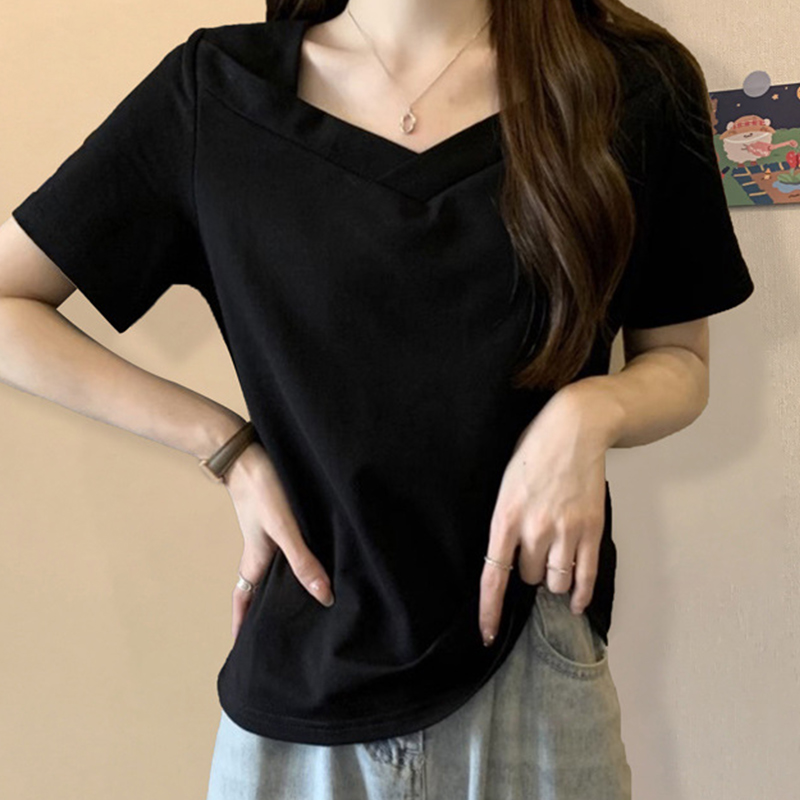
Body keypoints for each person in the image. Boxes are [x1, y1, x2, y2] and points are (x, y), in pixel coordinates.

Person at [0, 0, 755, 798]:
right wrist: (225, 446)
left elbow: (679, 360)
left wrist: (589, 413)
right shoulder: (216, 95)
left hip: (532, 675)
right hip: (302, 684)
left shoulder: (630, 85)